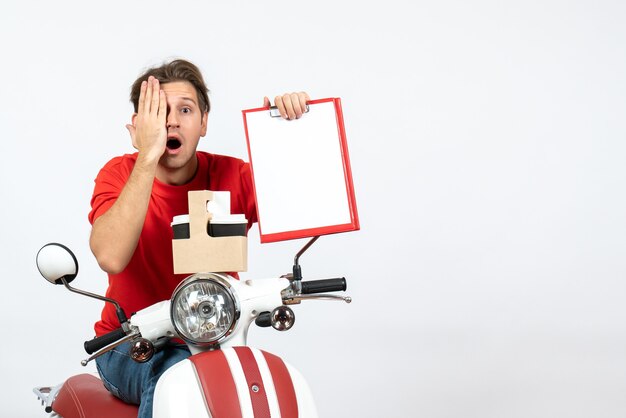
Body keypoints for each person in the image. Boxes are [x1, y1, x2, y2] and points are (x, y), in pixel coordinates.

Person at [88, 58, 309, 418]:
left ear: (203, 122)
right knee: (175, 372)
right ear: (139, 125)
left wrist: (288, 133)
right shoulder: (119, 174)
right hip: (129, 346)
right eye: (158, 112)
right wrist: (147, 156)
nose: (171, 121)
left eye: (185, 110)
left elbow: (303, 205)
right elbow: (110, 256)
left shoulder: (232, 174)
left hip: (214, 339)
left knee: (259, 378)